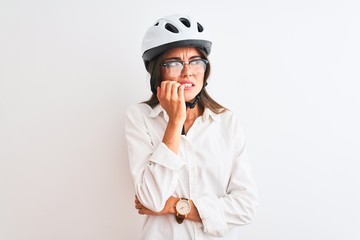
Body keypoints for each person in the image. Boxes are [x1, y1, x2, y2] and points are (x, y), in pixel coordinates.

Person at [125, 14, 258, 239]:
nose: (188, 72)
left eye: (196, 61)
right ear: (158, 71)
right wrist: (175, 121)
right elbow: (151, 199)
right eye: (175, 63)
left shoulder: (226, 121)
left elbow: (246, 207)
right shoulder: (140, 117)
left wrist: (177, 206)